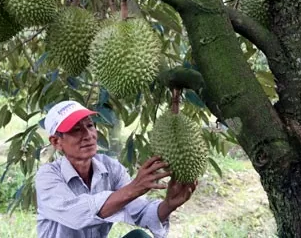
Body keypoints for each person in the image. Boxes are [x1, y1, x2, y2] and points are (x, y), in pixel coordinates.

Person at [35, 100, 197, 238]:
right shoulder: (48, 176)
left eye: (90, 126)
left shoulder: (110, 168)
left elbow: (140, 211)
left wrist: (169, 204)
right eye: (76, 130)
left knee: (138, 237)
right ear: (56, 142)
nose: (88, 135)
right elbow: (76, 216)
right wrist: (134, 188)